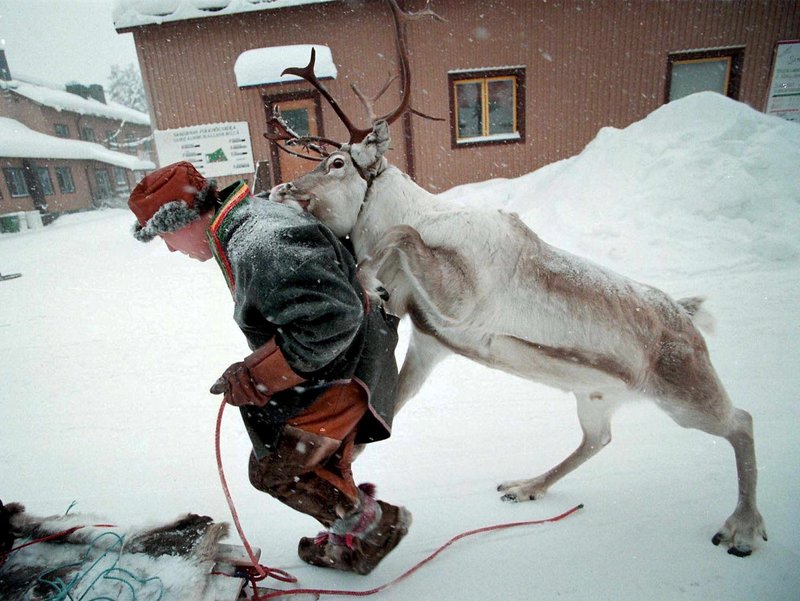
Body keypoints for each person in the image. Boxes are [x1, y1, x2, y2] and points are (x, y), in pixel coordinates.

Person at [128, 161, 409, 575]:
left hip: (348, 363)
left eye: (166, 236)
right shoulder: (245, 223)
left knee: (278, 468)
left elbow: (333, 318)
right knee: (321, 457)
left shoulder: (259, 241)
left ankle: (371, 526)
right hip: (345, 355)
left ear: (185, 218)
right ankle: (349, 538)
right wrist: (261, 364)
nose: (170, 248)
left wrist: (260, 374)